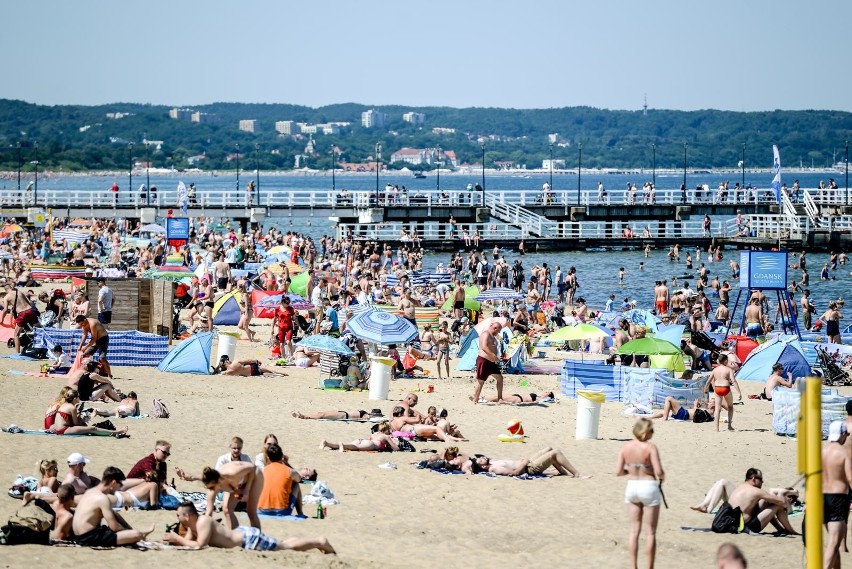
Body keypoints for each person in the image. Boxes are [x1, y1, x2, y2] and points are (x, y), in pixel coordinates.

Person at [162, 501, 335, 553]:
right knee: (281, 543)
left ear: (187, 515)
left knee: (283, 546)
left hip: (248, 540)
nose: (177, 518)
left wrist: (177, 538)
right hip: (243, 536)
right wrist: (173, 540)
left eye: (178, 515)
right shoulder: (194, 526)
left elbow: (200, 545)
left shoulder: (203, 522)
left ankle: (319, 541)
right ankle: (317, 542)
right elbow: (188, 543)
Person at [616, 418, 664, 569]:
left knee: (634, 531)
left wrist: (629, 470)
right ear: (646, 431)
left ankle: (633, 566)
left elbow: (618, 471)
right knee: (650, 533)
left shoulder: (625, 447)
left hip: (632, 486)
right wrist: (661, 477)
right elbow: (659, 471)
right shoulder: (650, 447)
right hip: (648, 485)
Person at [72, 466, 154, 547]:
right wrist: (127, 532)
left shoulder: (90, 492)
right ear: (113, 483)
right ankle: (141, 535)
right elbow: (114, 526)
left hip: (79, 535)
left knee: (112, 512)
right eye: (120, 484)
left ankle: (132, 531)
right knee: (136, 534)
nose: (121, 487)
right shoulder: (102, 498)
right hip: (89, 538)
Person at [715, 467, 798, 535]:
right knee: (778, 504)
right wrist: (791, 493)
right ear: (754, 479)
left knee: (767, 502)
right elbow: (781, 502)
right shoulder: (756, 491)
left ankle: (781, 529)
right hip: (746, 527)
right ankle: (791, 531)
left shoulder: (740, 488)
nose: (762, 482)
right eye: (761, 479)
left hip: (732, 523)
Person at [200, 461, 264, 530]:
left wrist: (246, 491)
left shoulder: (232, 472)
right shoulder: (212, 489)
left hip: (254, 475)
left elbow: (253, 468)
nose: (211, 490)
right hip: (237, 485)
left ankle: (258, 537)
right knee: (227, 510)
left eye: (212, 487)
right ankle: (236, 535)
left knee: (251, 512)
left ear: (218, 481)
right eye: (209, 488)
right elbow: (209, 512)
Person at [822, 420, 852, 568]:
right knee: (834, 542)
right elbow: (851, 478)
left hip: (821, 498)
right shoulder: (844, 453)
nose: (847, 437)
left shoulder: (822, 452)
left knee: (834, 541)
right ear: (841, 434)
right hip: (838, 499)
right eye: (846, 434)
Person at [465, 447, 590, 478]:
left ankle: (562, 472)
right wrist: (524, 462)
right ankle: (577, 474)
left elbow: (469, 459)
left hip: (528, 463)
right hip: (530, 468)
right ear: (483, 466)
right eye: (480, 460)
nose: (483, 458)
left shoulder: (491, 462)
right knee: (555, 453)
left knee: (548, 448)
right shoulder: (494, 469)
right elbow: (515, 473)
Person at [257, 443, 304, 516]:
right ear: (282, 456)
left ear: (269, 458)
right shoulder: (289, 471)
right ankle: (300, 513)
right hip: (281, 511)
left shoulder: (263, 471)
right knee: (296, 485)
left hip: (261, 510)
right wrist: (286, 463)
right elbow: (299, 479)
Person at [0, 280, 40, 353]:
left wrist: (2, 320)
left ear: (5, 290)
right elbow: (29, 302)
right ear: (11, 287)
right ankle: (43, 346)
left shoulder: (7, 297)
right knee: (40, 330)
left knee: (16, 334)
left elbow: (5, 310)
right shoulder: (19, 292)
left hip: (22, 314)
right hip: (30, 311)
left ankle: (17, 353)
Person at [705, 354, 742, 432]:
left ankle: (716, 428)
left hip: (717, 388)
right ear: (725, 361)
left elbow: (708, 381)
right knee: (730, 407)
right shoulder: (728, 369)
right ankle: (729, 426)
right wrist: (739, 392)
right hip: (725, 388)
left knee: (717, 409)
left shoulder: (715, 370)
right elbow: (733, 381)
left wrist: (705, 389)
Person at [473, 320, 504, 405]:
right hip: (483, 360)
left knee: (500, 378)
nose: (498, 333)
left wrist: (497, 357)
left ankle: (500, 398)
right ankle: (475, 400)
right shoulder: (485, 334)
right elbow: (484, 347)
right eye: (498, 331)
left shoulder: (493, 337)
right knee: (481, 381)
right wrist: (494, 356)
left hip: (491, 362)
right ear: (494, 328)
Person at [320, 421, 400, 452]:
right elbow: (395, 448)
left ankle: (326, 443)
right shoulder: (385, 436)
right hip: (370, 444)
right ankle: (341, 445)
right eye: (388, 430)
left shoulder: (374, 434)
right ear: (385, 429)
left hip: (361, 440)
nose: (389, 432)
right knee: (348, 446)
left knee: (348, 446)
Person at [75, 315, 112, 379]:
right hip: (96, 340)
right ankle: (88, 371)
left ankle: (109, 374)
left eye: (82, 324)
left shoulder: (93, 323)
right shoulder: (84, 324)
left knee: (102, 358)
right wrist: (80, 346)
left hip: (103, 339)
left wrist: (85, 347)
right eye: (80, 325)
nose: (82, 326)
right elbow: (84, 335)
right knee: (85, 354)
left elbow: (94, 338)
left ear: (84, 320)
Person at [219, 355, 287, 376]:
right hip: (252, 368)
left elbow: (220, 373)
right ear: (227, 361)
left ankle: (277, 375)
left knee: (263, 374)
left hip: (251, 374)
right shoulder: (235, 362)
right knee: (263, 369)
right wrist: (256, 360)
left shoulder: (228, 372)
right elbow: (248, 361)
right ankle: (279, 373)